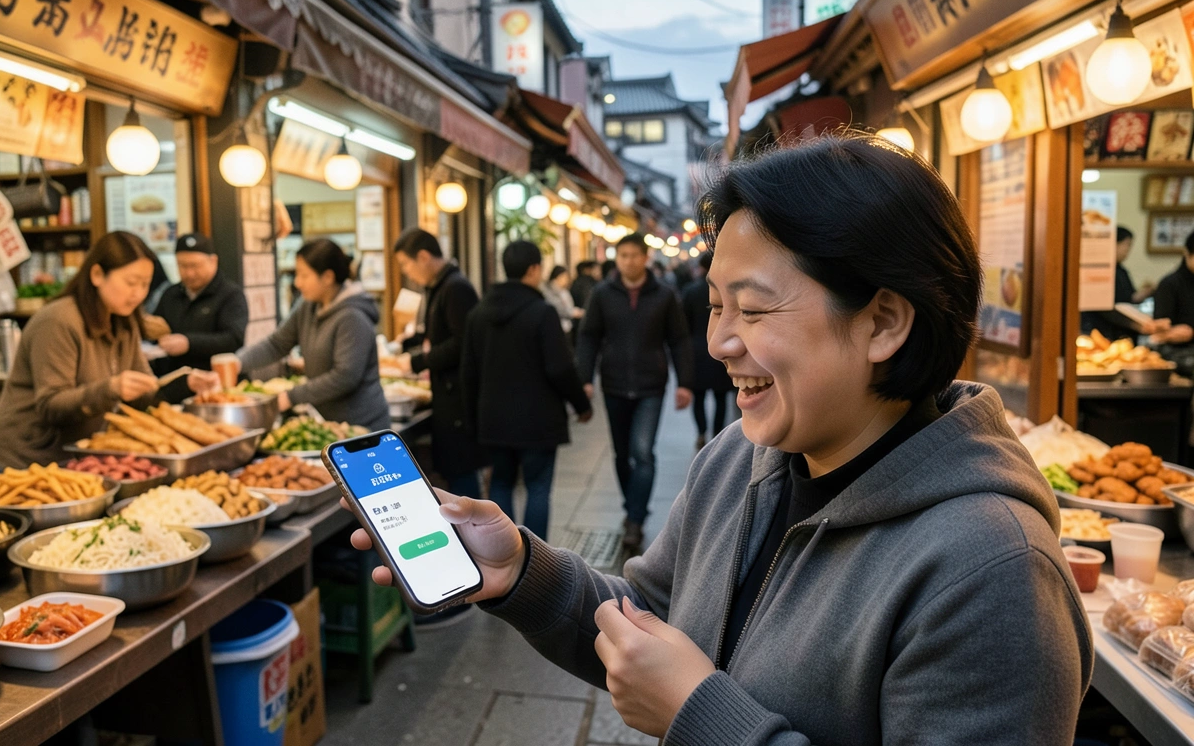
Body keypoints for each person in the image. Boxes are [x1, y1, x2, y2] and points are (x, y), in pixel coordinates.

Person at [346, 134, 1091, 745]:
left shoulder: (992, 572)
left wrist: (698, 714)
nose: (719, 343)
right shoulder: (740, 458)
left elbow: (685, 689)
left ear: (883, 322)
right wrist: (522, 573)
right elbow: (651, 620)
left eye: (753, 310)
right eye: (713, 306)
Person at [0, 231, 160, 472]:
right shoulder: (59, 321)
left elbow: (145, 390)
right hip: (25, 459)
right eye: (131, 283)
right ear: (97, 275)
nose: (138, 293)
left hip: (76, 457)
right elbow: (52, 404)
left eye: (145, 284)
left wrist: (185, 384)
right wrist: (111, 388)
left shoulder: (124, 321)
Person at [461, 241, 592, 540]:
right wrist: (582, 405)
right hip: (538, 420)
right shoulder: (542, 313)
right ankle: (534, 556)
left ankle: (502, 549)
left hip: (493, 420)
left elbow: (468, 372)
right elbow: (560, 368)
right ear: (533, 269)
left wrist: (472, 422)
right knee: (538, 488)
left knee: (500, 485)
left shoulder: (478, 313)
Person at [189, 239, 389, 430]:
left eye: (304, 275)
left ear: (328, 277)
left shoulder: (352, 316)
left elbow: (344, 377)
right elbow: (276, 344)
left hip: (362, 426)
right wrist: (236, 363)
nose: (297, 283)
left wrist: (290, 397)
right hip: (327, 421)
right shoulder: (308, 306)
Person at [576, 233, 693, 549]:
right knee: (621, 453)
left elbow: (679, 339)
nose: (628, 261)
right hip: (613, 383)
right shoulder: (602, 293)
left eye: (634, 255)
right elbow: (588, 337)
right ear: (617, 259)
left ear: (645, 258)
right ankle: (632, 505)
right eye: (623, 255)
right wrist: (585, 378)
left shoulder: (664, 295)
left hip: (651, 385)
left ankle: (636, 519)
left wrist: (685, 382)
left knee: (642, 452)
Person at [394, 227, 483, 498]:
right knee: (455, 475)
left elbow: (462, 343)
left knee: (462, 477)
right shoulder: (441, 285)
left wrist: (416, 362)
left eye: (405, 264)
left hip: (458, 401)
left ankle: (473, 524)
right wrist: (410, 341)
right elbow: (441, 332)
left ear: (423, 256)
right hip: (448, 398)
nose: (406, 272)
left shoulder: (455, 287)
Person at [150, 235, 248, 403]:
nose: (189, 273)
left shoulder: (231, 295)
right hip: (176, 390)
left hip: (217, 388)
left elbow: (234, 339)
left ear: (213, 261)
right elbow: (156, 329)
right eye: (182, 266)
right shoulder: (170, 294)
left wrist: (189, 343)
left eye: (195, 265)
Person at [682, 251, 736, 450]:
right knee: (721, 397)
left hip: (696, 351)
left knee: (698, 397)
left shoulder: (690, 291)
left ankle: (701, 431)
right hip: (722, 349)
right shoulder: (728, 290)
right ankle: (716, 435)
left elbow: (684, 325)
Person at [1081, 226, 1164, 340]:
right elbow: (1103, 306)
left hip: (1122, 330)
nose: (1128, 250)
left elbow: (1129, 298)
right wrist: (1135, 325)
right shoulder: (1098, 269)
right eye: (1127, 244)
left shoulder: (1121, 270)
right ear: (1114, 244)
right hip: (1102, 330)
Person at [1151, 230, 1194, 373]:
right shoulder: (1169, 284)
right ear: (1187, 253)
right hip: (1178, 353)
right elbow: (1160, 327)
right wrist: (1170, 333)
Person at [540, 265, 583, 335]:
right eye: (565, 277)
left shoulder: (564, 291)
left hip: (567, 327)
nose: (567, 280)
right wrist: (572, 313)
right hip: (556, 328)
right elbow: (557, 307)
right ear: (558, 277)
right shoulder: (549, 291)